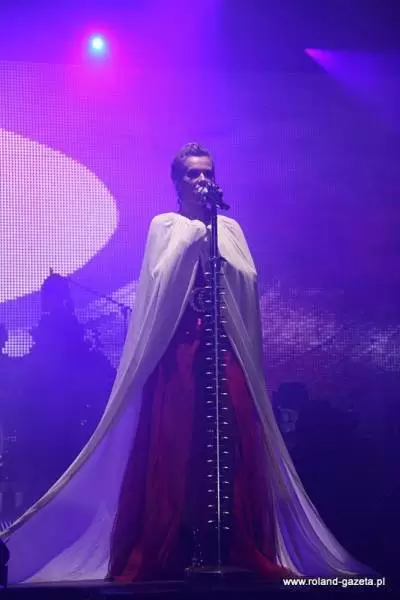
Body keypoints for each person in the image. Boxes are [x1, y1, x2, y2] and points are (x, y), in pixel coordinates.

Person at [2, 143, 373, 583]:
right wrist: (194, 233)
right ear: (177, 183)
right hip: (180, 353)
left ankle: (233, 542)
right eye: (193, 174)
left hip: (224, 351)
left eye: (207, 173)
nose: (202, 181)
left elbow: (247, 279)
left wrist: (213, 239)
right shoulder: (166, 225)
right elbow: (161, 277)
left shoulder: (228, 228)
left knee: (233, 441)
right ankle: (173, 544)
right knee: (177, 441)